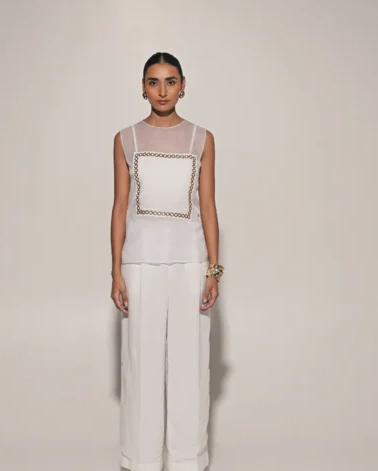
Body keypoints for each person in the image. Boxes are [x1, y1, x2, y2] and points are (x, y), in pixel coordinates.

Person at [110, 52, 224, 471]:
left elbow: (207, 206)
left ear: (183, 85)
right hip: (139, 264)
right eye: (153, 82)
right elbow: (120, 206)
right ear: (143, 87)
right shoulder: (126, 139)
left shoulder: (201, 139)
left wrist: (214, 269)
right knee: (141, 363)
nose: (162, 91)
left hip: (190, 264)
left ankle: (187, 461)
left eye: (170, 81)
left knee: (190, 364)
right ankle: (141, 461)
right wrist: (115, 271)